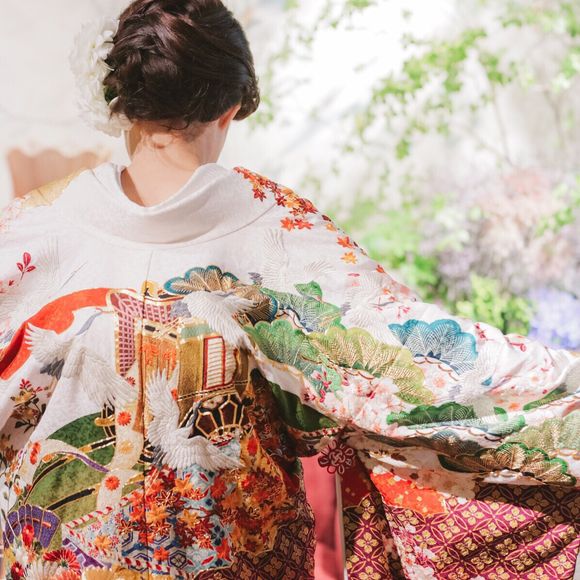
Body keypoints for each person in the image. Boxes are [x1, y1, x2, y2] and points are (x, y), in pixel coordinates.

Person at [0, 0, 578, 578]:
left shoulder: (32, 230)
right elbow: (417, 363)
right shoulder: (274, 231)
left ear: (121, 97)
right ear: (229, 109)